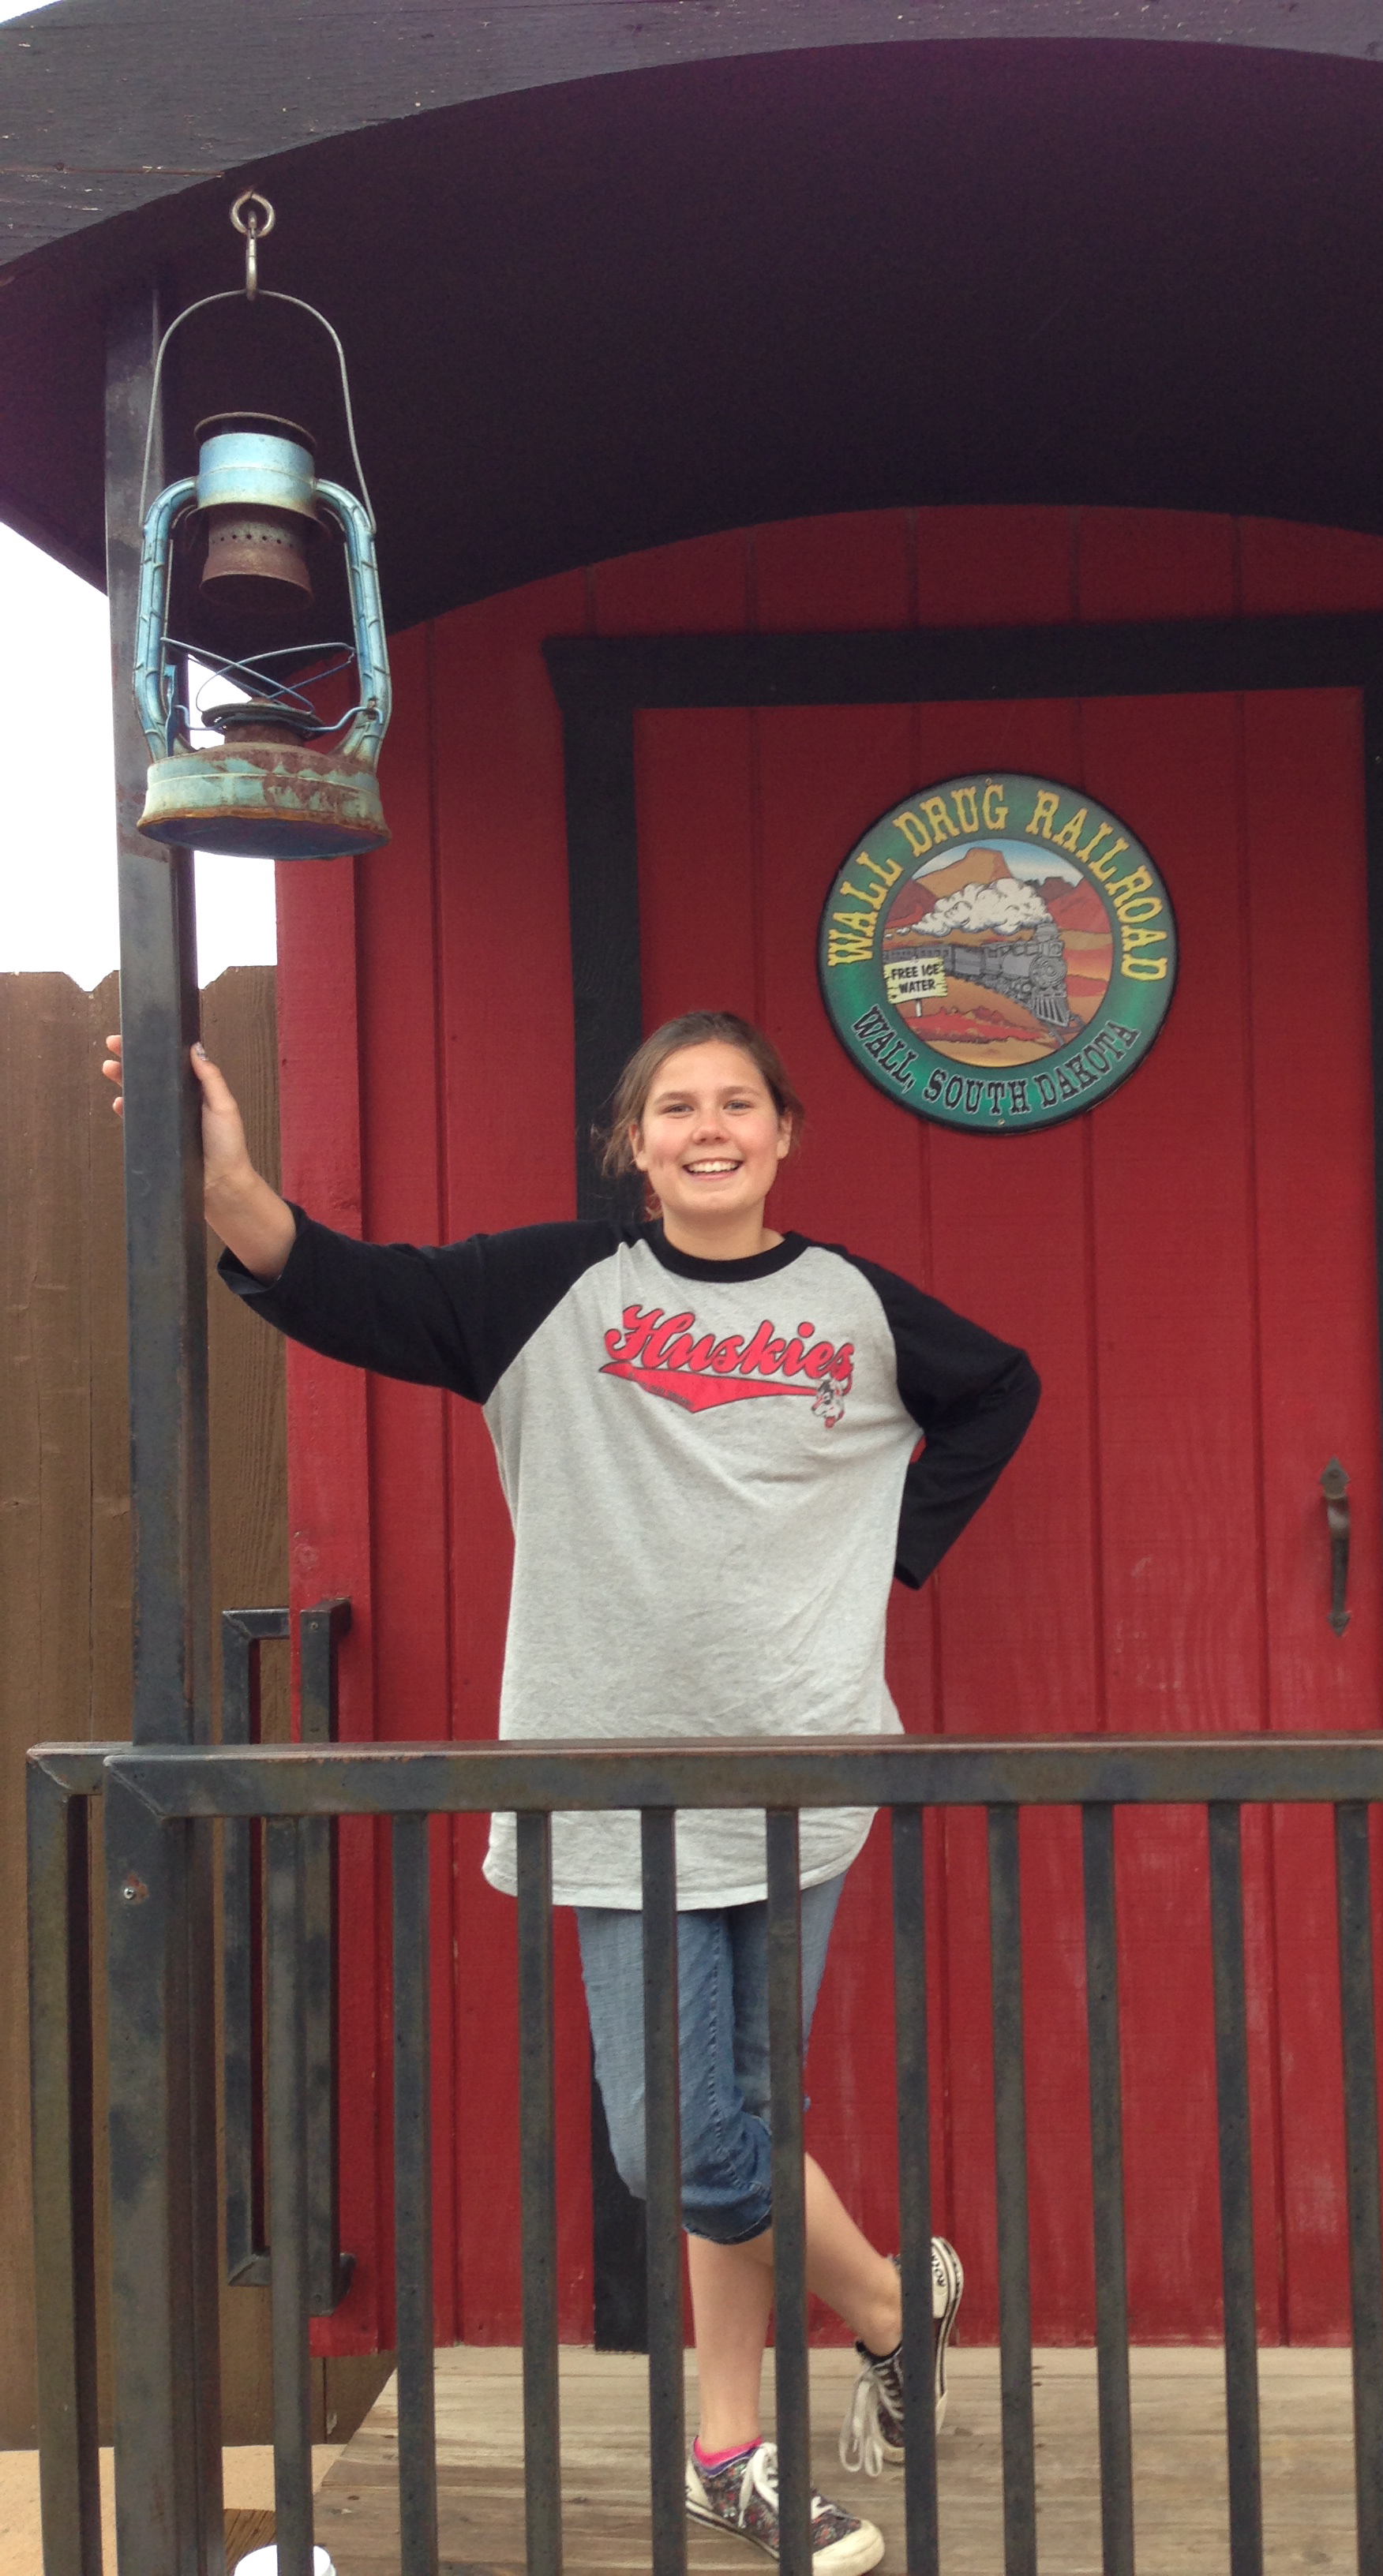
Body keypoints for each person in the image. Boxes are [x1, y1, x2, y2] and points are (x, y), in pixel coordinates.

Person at [104, 1007, 1039, 2574]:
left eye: (737, 1102)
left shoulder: (859, 1307)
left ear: (785, 1135)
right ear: (636, 1145)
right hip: (615, 1783)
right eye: (676, 1107)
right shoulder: (548, 1289)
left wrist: (885, 1545)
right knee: (685, 2142)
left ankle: (727, 2454)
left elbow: (1000, 1388)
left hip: (806, 1769)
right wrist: (224, 1181)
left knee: (744, 2123)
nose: (709, 1127)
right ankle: (891, 2302)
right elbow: (336, 1282)